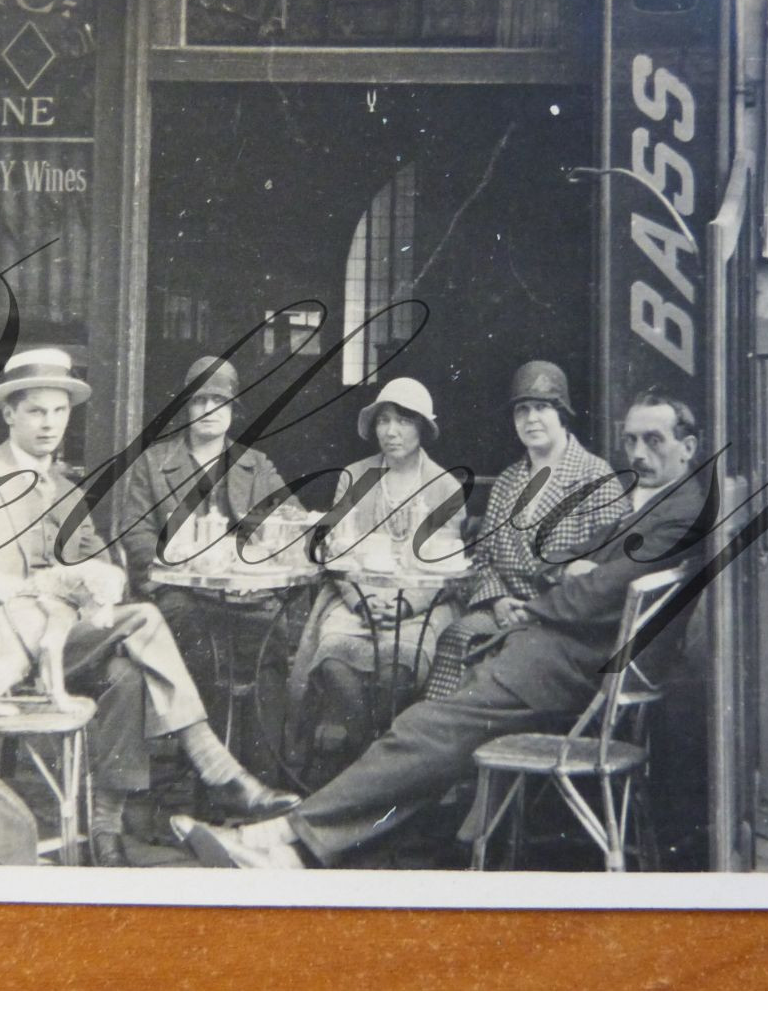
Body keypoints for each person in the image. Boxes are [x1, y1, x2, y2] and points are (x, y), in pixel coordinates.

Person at [170, 390, 709, 870]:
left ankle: (284, 832)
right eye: (632, 440)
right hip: (568, 656)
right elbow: (581, 566)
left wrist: (541, 604)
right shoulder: (657, 498)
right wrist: (571, 569)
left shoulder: (680, 510)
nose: (638, 454)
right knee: (437, 740)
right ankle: (299, 847)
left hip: (572, 666)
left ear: (689, 445)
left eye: (654, 440)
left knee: (425, 728)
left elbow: (601, 591)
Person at [0, 347, 297, 867]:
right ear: (9, 413)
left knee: (129, 672)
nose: (50, 424)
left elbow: (98, 562)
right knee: (145, 619)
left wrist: (106, 577)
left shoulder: (68, 489)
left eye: (59, 411)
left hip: (59, 643)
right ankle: (216, 765)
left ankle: (104, 831)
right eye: (35, 411)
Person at [286, 377, 467, 781]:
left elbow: (444, 567)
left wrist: (405, 603)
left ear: (422, 427)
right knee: (333, 659)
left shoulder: (445, 488)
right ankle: (373, 764)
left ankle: (368, 773)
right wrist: (360, 600)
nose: (391, 431)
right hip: (353, 598)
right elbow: (334, 552)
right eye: (384, 421)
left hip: (422, 601)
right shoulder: (353, 477)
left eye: (403, 421)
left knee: (397, 669)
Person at [422, 360, 629, 699]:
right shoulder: (507, 482)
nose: (531, 419)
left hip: (563, 625)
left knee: (506, 660)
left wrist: (537, 611)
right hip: (502, 614)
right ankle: (448, 741)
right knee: (457, 636)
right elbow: (483, 560)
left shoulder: (596, 478)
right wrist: (500, 599)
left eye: (542, 407)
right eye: (522, 410)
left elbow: (605, 578)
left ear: (562, 413)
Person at [115, 356, 289, 752]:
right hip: (180, 595)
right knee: (198, 640)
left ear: (233, 410)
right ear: (186, 409)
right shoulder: (155, 463)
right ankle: (207, 767)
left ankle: (264, 767)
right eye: (199, 401)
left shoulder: (254, 465)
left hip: (248, 596)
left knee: (272, 637)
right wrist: (174, 563)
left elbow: (288, 523)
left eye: (219, 402)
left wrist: (259, 564)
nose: (209, 411)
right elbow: (135, 532)